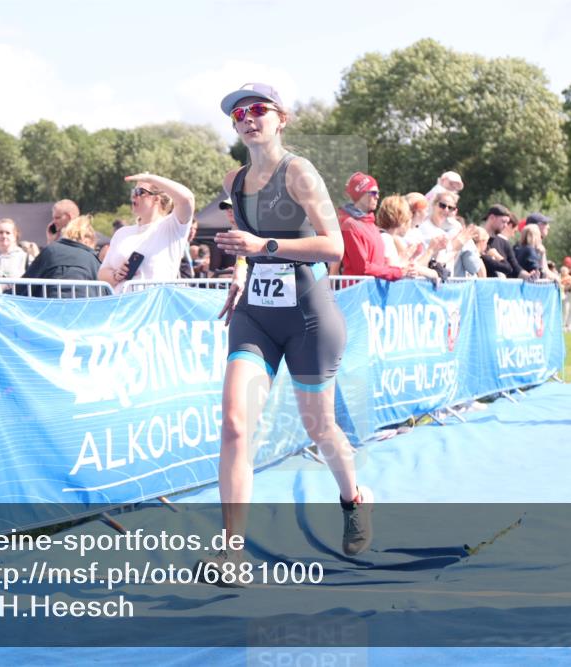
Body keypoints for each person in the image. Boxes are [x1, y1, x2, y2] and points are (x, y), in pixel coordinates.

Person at [208, 82, 372, 580]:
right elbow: (243, 244)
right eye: (239, 113)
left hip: (308, 315)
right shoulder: (234, 180)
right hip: (256, 315)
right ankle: (232, 553)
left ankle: (353, 498)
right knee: (236, 424)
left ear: (282, 118)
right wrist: (240, 272)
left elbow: (334, 246)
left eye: (258, 110)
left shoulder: (298, 172)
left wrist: (265, 248)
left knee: (320, 427)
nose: (248, 118)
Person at [98, 174, 194, 289]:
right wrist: (116, 275)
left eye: (139, 192)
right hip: (122, 303)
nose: (134, 196)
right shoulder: (122, 233)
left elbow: (187, 199)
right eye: (133, 192)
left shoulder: (172, 226)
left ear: (156, 199)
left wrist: (150, 178)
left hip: (155, 304)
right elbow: (102, 273)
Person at [338, 172, 408, 280]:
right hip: (357, 291)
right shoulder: (349, 225)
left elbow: (378, 263)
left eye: (378, 193)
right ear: (360, 194)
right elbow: (362, 268)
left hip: (372, 291)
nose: (378, 197)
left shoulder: (371, 224)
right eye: (374, 193)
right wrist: (396, 273)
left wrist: (401, 268)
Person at [17, 215, 102, 297]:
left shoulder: (51, 250)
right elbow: (104, 294)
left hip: (52, 307)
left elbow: (23, 286)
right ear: (89, 240)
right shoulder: (93, 259)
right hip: (83, 309)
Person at [481, 204, 529, 279]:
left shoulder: (504, 243)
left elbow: (515, 268)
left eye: (507, 222)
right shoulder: (477, 239)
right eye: (503, 221)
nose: (506, 225)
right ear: (492, 217)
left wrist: (530, 276)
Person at [0, 218, 30, 292]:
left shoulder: (25, 257)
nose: (4, 236)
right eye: (0, 232)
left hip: (16, 300)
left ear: (15, 235)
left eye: (8, 233)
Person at [560, 266, 571, 332]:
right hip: (565, 295)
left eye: (565, 271)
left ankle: (570, 325)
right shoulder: (560, 278)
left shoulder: (570, 277)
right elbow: (561, 287)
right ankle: (563, 325)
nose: (564, 272)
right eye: (563, 271)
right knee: (565, 310)